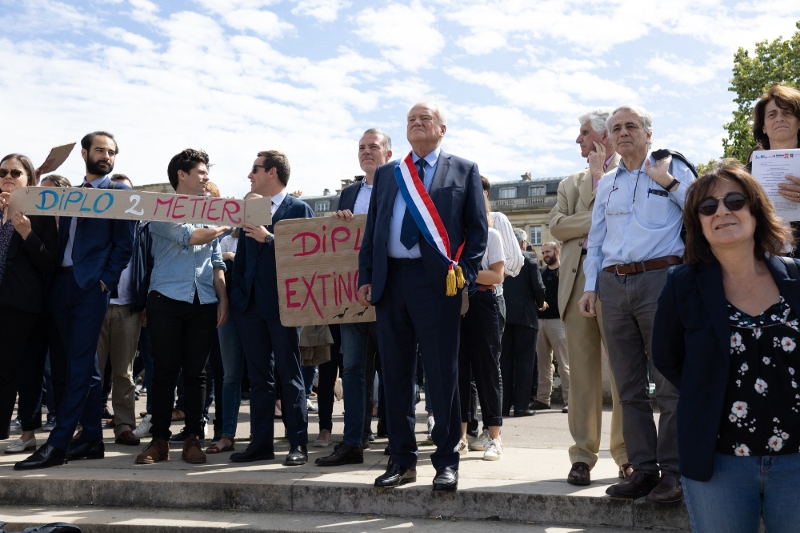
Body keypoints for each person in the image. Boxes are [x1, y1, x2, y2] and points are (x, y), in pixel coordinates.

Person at [653, 160, 800, 531]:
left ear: (755, 209)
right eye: (708, 207)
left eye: (734, 201)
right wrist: (708, 393)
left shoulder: (796, 276)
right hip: (718, 464)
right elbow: (666, 357)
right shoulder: (681, 285)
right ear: (699, 222)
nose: (721, 211)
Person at [358, 101, 487, 492]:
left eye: (424, 118)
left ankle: (446, 461)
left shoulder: (463, 170)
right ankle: (401, 460)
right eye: (411, 119)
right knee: (395, 375)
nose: (416, 123)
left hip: (437, 284)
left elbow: (477, 232)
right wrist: (367, 274)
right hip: (391, 282)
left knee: (442, 374)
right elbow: (374, 230)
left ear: (441, 129)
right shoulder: (387, 173)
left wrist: (462, 276)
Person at [577, 105, 695, 502]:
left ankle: (675, 473)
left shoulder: (669, 165)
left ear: (648, 131)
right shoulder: (607, 181)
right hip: (613, 284)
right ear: (609, 138)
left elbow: (704, 207)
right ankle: (643, 469)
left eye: (631, 126)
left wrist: (669, 183)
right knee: (627, 385)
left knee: (669, 382)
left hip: (662, 280)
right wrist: (590, 287)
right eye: (616, 128)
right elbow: (596, 239)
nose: (623, 133)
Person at [16, 131, 135, 471]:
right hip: (60, 285)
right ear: (84, 154)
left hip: (90, 289)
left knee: (80, 364)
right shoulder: (69, 196)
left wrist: (103, 282)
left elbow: (124, 246)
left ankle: (59, 442)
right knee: (80, 368)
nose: (106, 156)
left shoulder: (119, 193)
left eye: (111, 151)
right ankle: (92, 439)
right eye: (100, 150)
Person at [134, 149, 229, 466]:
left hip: (203, 301)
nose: (206, 178)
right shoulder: (161, 210)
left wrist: (223, 298)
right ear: (181, 175)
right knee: (163, 372)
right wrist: (225, 226)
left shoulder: (210, 211)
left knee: (196, 375)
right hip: (166, 300)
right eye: (201, 172)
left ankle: (192, 439)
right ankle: (159, 440)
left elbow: (216, 261)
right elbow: (191, 237)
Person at [550, 108, 629, 486]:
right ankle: (582, 456)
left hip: (617, 282)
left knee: (624, 371)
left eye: (583, 133)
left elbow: (625, 220)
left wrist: (600, 189)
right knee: (581, 376)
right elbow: (555, 225)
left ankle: (628, 455)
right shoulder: (570, 182)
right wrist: (598, 213)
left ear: (603, 137)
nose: (578, 140)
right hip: (576, 284)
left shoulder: (633, 173)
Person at [229, 150, 314, 466]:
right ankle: (261, 443)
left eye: (255, 169)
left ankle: (298, 445)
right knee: (259, 379)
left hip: (285, 305)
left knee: (290, 376)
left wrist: (270, 239)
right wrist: (238, 296)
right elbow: (242, 256)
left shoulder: (299, 208)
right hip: (249, 305)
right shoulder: (253, 208)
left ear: (273, 173)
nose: (250, 176)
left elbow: (305, 255)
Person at [316, 128, 391, 467]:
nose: (366, 152)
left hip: (390, 291)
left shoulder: (401, 185)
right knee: (353, 367)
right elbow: (338, 242)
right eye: (361, 147)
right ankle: (353, 440)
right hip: (352, 294)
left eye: (373, 146)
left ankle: (397, 436)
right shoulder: (348, 193)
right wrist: (338, 220)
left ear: (388, 153)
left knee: (394, 365)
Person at [0, 154, 58, 452]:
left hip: (22, 306)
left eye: (16, 172)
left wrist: (27, 234)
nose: (8, 176)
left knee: (23, 371)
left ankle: (27, 433)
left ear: (29, 180)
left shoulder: (41, 215)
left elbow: (50, 262)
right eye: (3, 171)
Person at [95, 173, 143, 447]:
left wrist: (143, 304)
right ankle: (88, 425)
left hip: (128, 308)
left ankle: (125, 425)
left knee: (124, 372)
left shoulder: (141, 228)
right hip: (96, 305)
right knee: (93, 371)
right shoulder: (97, 225)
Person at [457, 197, 505, 460]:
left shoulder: (491, 234)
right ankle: (462, 437)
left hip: (483, 302)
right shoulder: (451, 237)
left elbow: (497, 275)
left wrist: (463, 272)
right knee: (460, 371)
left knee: (487, 369)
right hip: (455, 303)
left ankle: (495, 437)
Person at [500, 229, 545, 418]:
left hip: (503, 316)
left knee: (504, 362)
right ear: (522, 243)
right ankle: (521, 406)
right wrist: (541, 303)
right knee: (525, 363)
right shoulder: (529, 258)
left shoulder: (500, 257)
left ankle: (502, 406)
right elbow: (538, 287)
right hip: (526, 317)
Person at [535, 242, 570, 413]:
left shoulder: (565, 272)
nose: (545, 255)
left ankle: (570, 400)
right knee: (543, 364)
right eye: (543, 252)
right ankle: (543, 399)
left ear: (557, 251)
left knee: (565, 363)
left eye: (548, 251)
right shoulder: (540, 272)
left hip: (559, 321)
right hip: (540, 321)